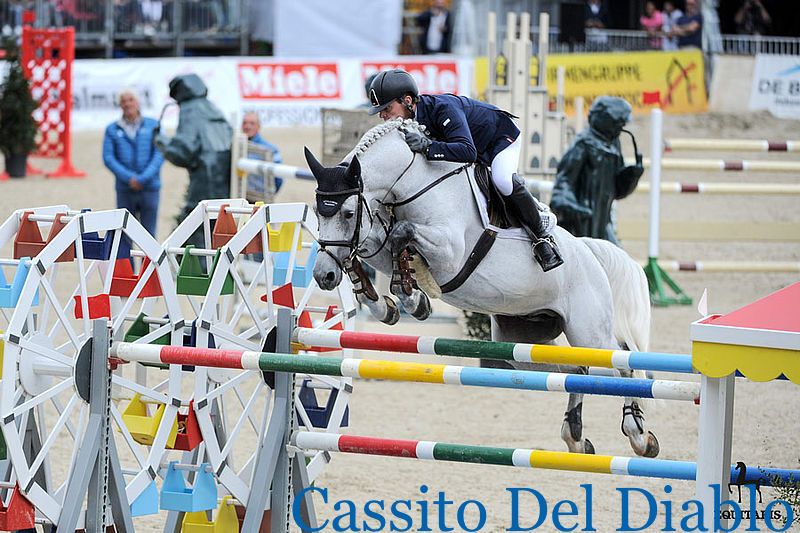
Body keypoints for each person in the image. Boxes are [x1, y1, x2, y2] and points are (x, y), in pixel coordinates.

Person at [367, 68, 562, 272]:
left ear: (407, 100)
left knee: (502, 180)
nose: (382, 115)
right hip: (474, 148)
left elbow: (468, 151)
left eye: (387, 108)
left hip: (499, 139)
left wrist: (428, 147)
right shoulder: (408, 120)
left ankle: (541, 236)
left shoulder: (443, 109)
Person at [549, 96, 644, 246]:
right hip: (580, 225)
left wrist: (631, 175)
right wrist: (574, 208)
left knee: (616, 257)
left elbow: (618, 190)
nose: (622, 127)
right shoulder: (583, 145)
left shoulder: (613, 144)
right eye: (619, 123)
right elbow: (563, 184)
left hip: (603, 223)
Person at [155, 74, 232, 226]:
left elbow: (184, 151)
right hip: (223, 181)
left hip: (203, 180)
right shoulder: (213, 108)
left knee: (196, 225)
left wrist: (161, 141)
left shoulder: (189, 109)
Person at [102, 89, 163, 237]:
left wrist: (143, 178)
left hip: (150, 187)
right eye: (123, 101)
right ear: (120, 105)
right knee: (124, 234)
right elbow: (108, 158)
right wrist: (129, 178)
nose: (127, 104)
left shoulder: (154, 125)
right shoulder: (112, 129)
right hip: (125, 189)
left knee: (149, 235)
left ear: (138, 102)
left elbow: (160, 154)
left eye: (131, 100)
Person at [241, 111, 284, 194]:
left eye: (252, 123)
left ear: (258, 126)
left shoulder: (271, 149)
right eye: (244, 123)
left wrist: (269, 196)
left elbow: (279, 177)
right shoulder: (236, 147)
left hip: (260, 197)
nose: (247, 126)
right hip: (240, 196)